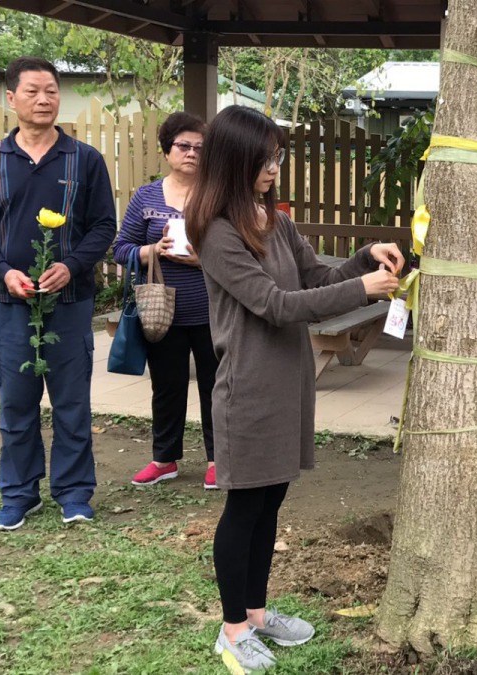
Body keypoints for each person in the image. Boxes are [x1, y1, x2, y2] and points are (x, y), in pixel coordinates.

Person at [186, 105, 402, 673]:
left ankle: (256, 614)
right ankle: (232, 629)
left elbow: (317, 277)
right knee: (244, 507)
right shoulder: (217, 231)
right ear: (234, 160)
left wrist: (364, 258)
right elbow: (276, 305)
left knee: (270, 503)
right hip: (248, 389)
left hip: (288, 382)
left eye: (277, 157)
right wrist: (363, 288)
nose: (273, 168)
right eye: (264, 159)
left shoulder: (274, 221)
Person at [0, 56, 117, 531]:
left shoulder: (83, 159)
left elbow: (103, 226)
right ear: (11, 98)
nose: (44, 99)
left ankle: (74, 492)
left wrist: (71, 266)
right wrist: (2, 270)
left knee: (72, 403)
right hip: (9, 302)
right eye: (32, 91)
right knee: (16, 405)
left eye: (51, 90)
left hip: (69, 302)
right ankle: (19, 494)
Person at [112, 112, 220, 490]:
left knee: (216, 386)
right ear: (167, 150)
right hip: (161, 311)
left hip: (212, 310)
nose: (191, 153)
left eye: (200, 148)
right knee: (166, 387)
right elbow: (120, 248)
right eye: (183, 146)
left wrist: (203, 260)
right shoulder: (146, 197)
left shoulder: (218, 196)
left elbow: (240, 252)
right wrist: (152, 251)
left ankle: (218, 460)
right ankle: (164, 459)